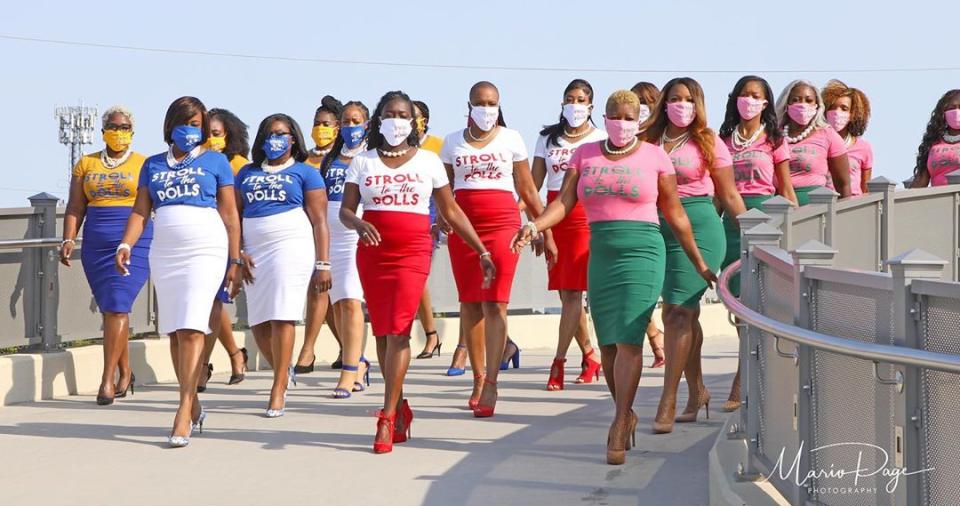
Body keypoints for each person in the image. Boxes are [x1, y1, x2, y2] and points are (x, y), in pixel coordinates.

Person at [512, 89, 715, 465]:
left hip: (643, 252)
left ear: (639, 120)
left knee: (630, 342)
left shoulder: (655, 157)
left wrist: (700, 263)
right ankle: (625, 409)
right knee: (607, 346)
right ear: (603, 118)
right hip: (601, 252)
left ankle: (621, 420)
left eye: (630, 116)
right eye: (615, 115)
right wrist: (535, 226)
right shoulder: (584, 154)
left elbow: (676, 214)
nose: (622, 123)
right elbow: (562, 203)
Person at [339, 90, 494, 453]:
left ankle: (387, 416)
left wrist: (481, 249)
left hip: (412, 252)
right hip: (373, 253)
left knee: (399, 332)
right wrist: (358, 224)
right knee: (383, 332)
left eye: (403, 114)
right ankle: (401, 405)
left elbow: (451, 212)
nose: (397, 120)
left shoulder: (428, 161)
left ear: (413, 121)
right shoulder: (363, 162)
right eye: (390, 113)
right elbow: (346, 210)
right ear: (380, 120)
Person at [115, 96, 241, 448]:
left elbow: (230, 216)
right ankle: (194, 401)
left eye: (197, 124)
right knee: (173, 330)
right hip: (166, 252)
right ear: (171, 126)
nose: (191, 130)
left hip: (206, 248)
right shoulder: (153, 165)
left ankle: (183, 407)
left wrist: (234, 260)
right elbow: (141, 212)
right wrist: (125, 244)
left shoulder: (216, 162)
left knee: (191, 327)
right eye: (185, 123)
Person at [440, 81, 553, 416]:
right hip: (464, 228)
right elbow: (442, 190)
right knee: (471, 305)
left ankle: (491, 382)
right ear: (469, 105)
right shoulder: (452, 142)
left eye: (492, 103)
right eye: (480, 103)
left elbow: (528, 190)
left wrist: (543, 230)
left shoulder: (511, 138)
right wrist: (439, 220)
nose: (486, 109)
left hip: (502, 225)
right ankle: (476, 378)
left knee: (495, 304)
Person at [643, 77, 746, 434]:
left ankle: (668, 399)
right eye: (674, 98)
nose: (681, 104)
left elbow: (729, 195)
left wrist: (754, 232)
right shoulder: (647, 140)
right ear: (663, 103)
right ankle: (697, 390)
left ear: (698, 103)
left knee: (679, 312)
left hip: (700, 225)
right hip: (656, 227)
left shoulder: (708, 141)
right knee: (678, 314)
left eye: (688, 99)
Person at [236, 113, 331, 416]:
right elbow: (233, 215)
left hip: (291, 244)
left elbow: (319, 221)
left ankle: (278, 387)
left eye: (282, 133)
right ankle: (283, 368)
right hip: (253, 248)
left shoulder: (306, 173)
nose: (275, 139)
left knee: (282, 315)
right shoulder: (247, 173)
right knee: (259, 321)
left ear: (293, 139)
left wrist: (323, 263)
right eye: (269, 133)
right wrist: (237, 252)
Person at [60, 105, 150, 405]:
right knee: (111, 309)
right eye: (113, 126)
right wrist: (69, 238)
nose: (119, 132)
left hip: (133, 240)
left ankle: (106, 379)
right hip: (96, 242)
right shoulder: (86, 164)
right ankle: (126, 372)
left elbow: (152, 205)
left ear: (133, 132)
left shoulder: (145, 164)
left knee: (118, 306)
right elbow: (75, 207)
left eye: (124, 127)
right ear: (103, 130)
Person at [717, 76, 796, 413]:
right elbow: (718, 192)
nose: (748, 100)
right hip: (730, 227)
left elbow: (786, 190)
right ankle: (749, 365)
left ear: (766, 103)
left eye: (756, 95)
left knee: (759, 302)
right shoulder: (722, 141)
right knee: (736, 300)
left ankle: (743, 376)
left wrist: (794, 227)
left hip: (765, 221)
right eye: (743, 94)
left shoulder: (776, 140)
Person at [531, 79, 607, 391]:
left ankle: (558, 362)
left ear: (591, 106)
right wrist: (537, 226)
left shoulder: (600, 138)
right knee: (566, 295)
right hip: (554, 215)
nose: (574, 104)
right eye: (569, 98)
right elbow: (532, 186)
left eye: (581, 99)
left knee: (574, 294)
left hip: (585, 216)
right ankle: (590, 355)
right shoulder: (547, 139)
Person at [320, 100, 371, 397]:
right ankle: (359, 361)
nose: (352, 127)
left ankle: (348, 370)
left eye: (357, 121)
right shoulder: (330, 159)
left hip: (357, 235)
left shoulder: (371, 157)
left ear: (366, 124)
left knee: (352, 301)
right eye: (347, 121)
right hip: (332, 239)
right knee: (339, 304)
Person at [197, 108, 250, 390]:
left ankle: (203, 365)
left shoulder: (239, 165)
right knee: (210, 303)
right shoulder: (197, 161)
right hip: (201, 240)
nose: (210, 139)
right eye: (207, 134)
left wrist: (239, 249)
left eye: (216, 134)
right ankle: (235, 353)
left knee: (215, 303)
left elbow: (239, 210)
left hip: (228, 241)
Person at [295, 96, 344, 374]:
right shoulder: (304, 159)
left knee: (333, 296)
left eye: (325, 124)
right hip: (307, 231)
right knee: (320, 293)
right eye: (316, 124)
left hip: (337, 231)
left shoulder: (341, 158)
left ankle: (311, 349)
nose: (320, 128)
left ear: (337, 128)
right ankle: (320, 349)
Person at [630, 81, 667, 368]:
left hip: (667, 220)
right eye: (637, 102)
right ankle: (654, 334)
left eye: (649, 101)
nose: (643, 107)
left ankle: (660, 337)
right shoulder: (624, 141)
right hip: (637, 224)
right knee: (637, 292)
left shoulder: (664, 140)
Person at [775, 80, 851, 203]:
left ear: (817, 105)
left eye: (809, 100)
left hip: (815, 210)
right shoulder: (774, 136)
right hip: (777, 207)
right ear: (787, 103)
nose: (802, 104)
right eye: (796, 100)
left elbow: (843, 185)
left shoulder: (828, 135)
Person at [412, 99, 442, 359]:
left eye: (415, 116)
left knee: (418, 278)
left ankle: (431, 335)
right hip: (406, 218)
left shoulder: (437, 146)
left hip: (431, 219)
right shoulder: (398, 148)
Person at [822, 80, 873, 197]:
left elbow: (866, 189)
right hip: (823, 204)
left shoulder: (864, 148)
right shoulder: (819, 144)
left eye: (844, 108)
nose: (836, 112)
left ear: (852, 114)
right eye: (832, 107)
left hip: (852, 208)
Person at [911, 89, 960, 188]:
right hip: (938, 201)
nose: (957, 111)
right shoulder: (933, 141)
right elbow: (921, 181)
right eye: (952, 108)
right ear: (943, 112)